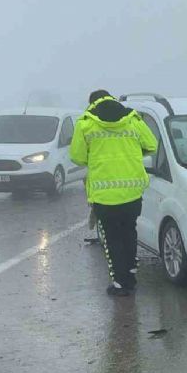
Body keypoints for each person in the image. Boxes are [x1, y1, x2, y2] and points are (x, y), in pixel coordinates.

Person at [70, 90, 158, 296]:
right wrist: (133, 153)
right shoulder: (133, 119)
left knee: (112, 239)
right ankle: (131, 272)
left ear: (92, 103)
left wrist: (96, 157)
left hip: (103, 195)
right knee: (129, 231)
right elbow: (151, 145)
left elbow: (77, 157)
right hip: (132, 192)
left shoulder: (85, 124)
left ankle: (120, 283)